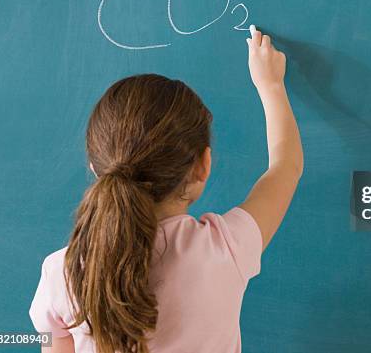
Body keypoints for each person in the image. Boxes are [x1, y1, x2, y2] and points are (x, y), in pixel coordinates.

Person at [29, 26, 304, 353]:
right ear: (203, 165)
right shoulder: (224, 249)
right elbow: (287, 167)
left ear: (95, 168)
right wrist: (270, 84)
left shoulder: (64, 272)